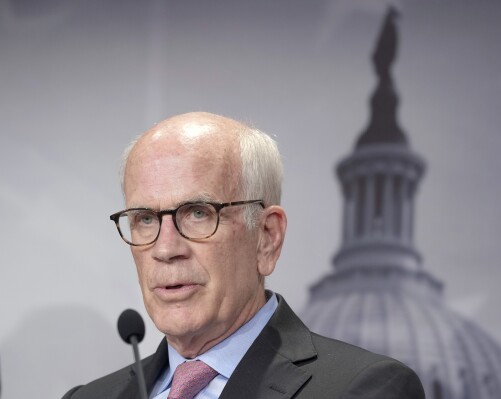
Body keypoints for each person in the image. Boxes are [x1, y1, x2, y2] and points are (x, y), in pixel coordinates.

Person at [63, 112, 424, 399]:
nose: (166, 249)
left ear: (267, 237)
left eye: (198, 213)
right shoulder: (90, 397)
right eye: (144, 218)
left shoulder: (363, 389)